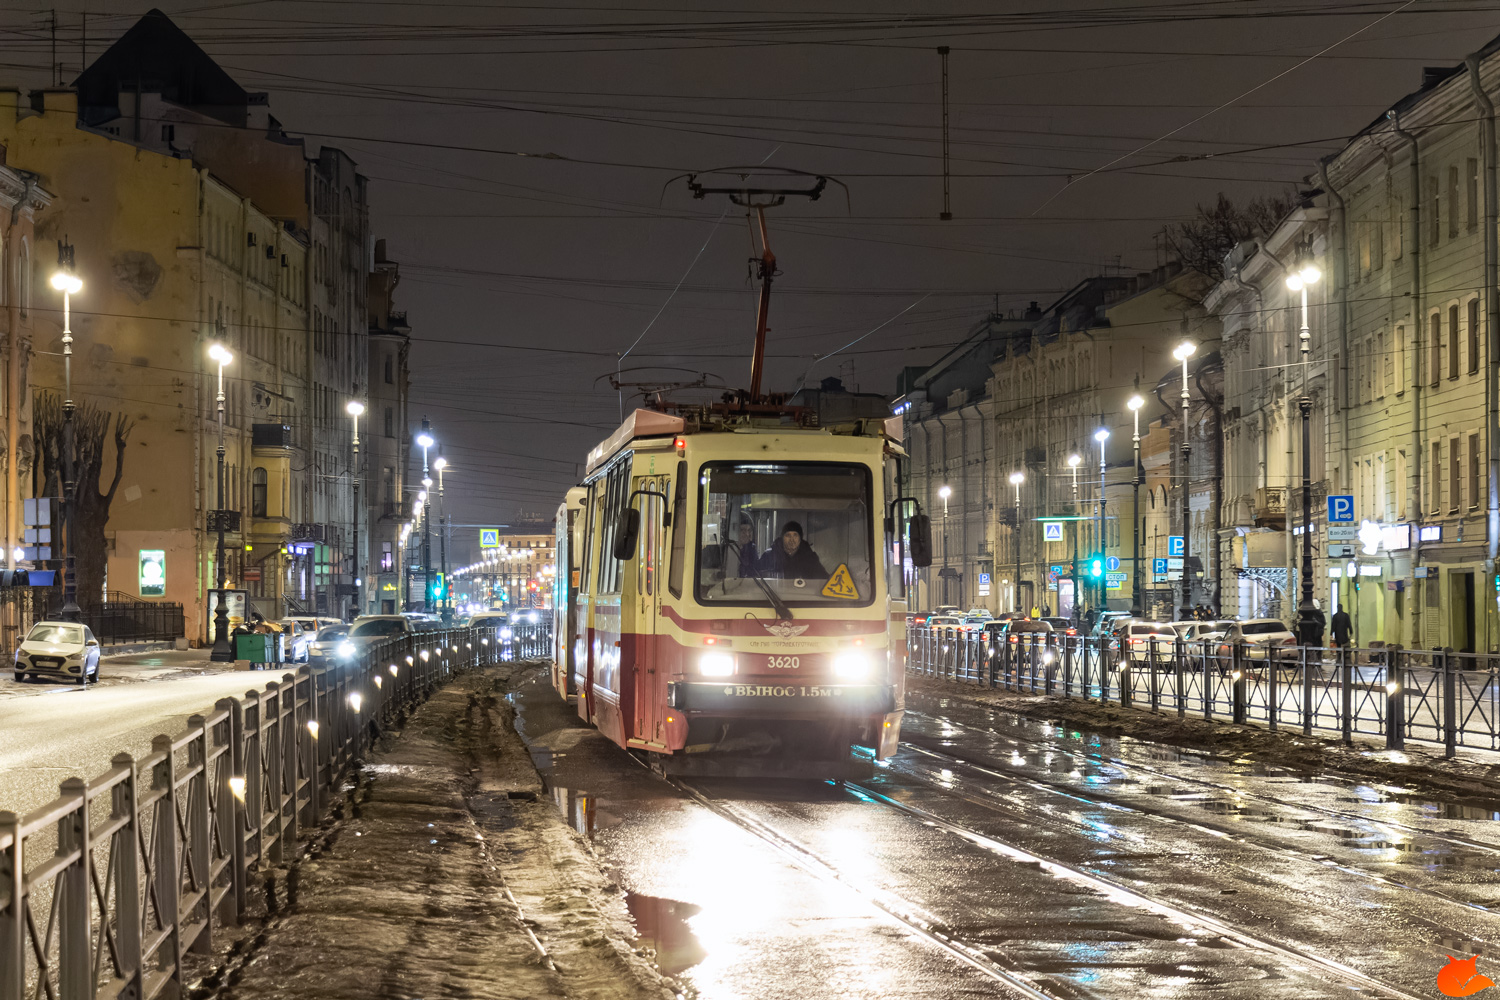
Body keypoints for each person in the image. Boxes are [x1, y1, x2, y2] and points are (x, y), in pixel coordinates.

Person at [758, 521, 827, 579]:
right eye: (788, 535)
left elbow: (822, 579)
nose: (792, 540)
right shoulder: (769, 556)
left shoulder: (810, 558)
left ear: (800, 539)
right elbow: (756, 578)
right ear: (782, 538)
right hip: (773, 594)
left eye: (795, 535)